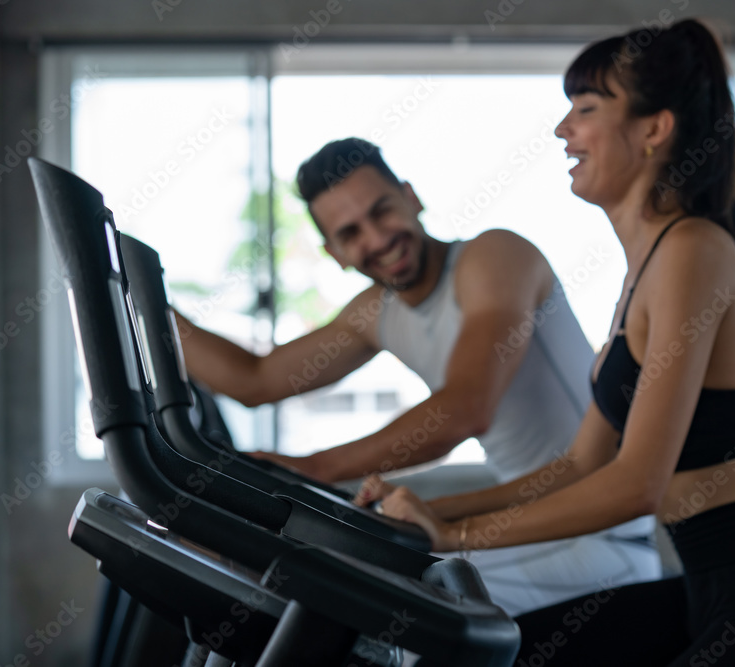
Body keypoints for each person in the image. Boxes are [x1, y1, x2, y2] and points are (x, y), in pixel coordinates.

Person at [368, 19, 735, 665]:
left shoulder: (693, 249)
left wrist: (452, 535)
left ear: (655, 129)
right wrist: (429, 510)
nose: (562, 130)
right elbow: (579, 464)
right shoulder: (647, 266)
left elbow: (636, 486)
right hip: (703, 590)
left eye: (586, 109)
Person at [174, 137, 660, 615]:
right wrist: (141, 301)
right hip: (533, 529)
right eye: (351, 233)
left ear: (412, 198)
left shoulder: (493, 258)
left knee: (378, 603)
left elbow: (464, 409)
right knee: (333, 588)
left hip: (604, 537)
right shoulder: (375, 314)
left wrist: (313, 469)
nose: (377, 239)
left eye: (382, 211)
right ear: (335, 253)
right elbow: (254, 380)